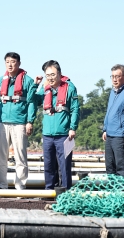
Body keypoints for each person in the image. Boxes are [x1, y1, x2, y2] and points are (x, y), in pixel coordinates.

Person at [0, 52, 37, 190]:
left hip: (20, 122)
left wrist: (30, 121)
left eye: (13, 61)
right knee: (1, 156)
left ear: (19, 63)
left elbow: (31, 102)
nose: (10, 64)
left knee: (20, 156)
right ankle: (2, 185)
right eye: (7, 62)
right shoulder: (1, 80)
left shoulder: (28, 81)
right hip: (3, 122)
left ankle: (20, 185)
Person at [34, 60, 80, 189]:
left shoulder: (69, 87)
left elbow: (75, 109)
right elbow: (33, 99)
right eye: (48, 75)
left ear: (59, 74)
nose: (50, 78)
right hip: (48, 134)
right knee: (48, 165)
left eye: (53, 74)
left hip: (64, 134)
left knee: (64, 165)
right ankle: (49, 191)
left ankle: (65, 193)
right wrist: (35, 85)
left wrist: (72, 128)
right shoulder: (45, 90)